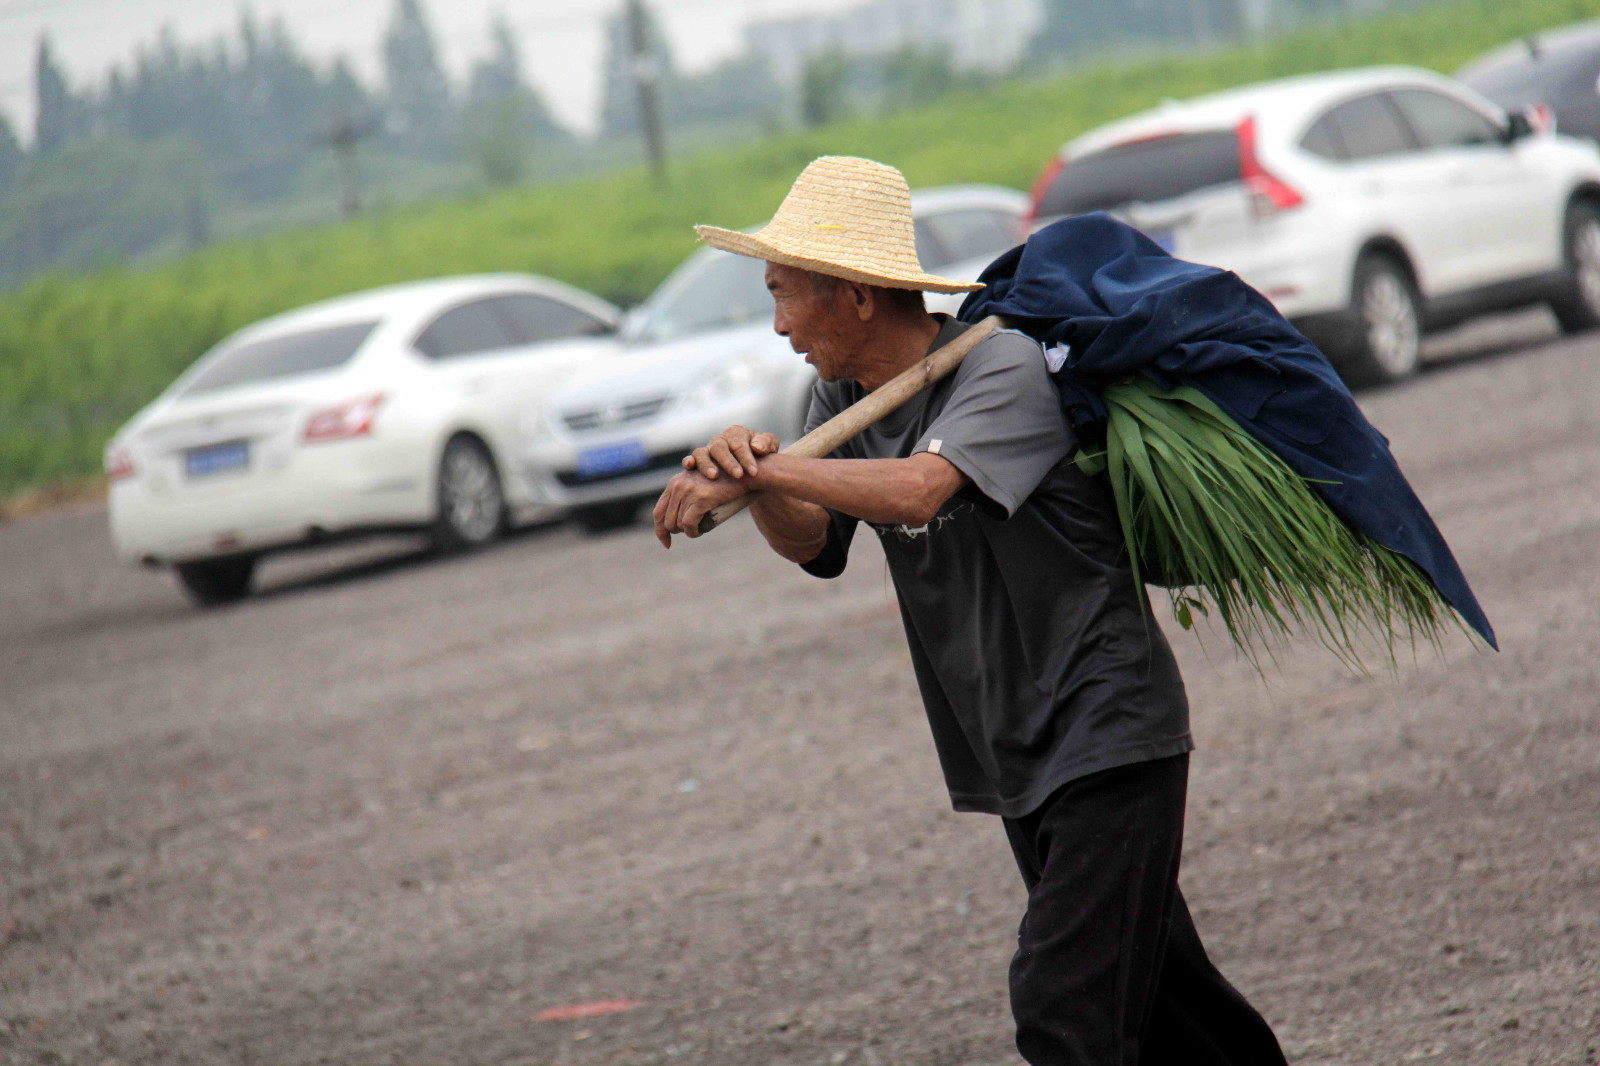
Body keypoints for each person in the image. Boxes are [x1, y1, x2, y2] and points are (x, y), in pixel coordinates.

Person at [651, 155, 1289, 1066]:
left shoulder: (1003, 369)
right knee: (1176, 1013)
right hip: (1011, 744)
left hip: (1105, 725)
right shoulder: (841, 400)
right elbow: (814, 545)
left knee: (1062, 1010)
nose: (780, 324)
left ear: (860, 296)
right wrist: (755, 486)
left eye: (785, 294)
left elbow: (919, 491)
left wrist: (765, 468)